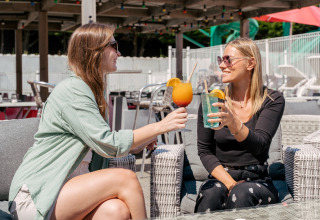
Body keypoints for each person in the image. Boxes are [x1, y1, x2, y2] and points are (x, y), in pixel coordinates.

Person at [9, 23, 188, 220]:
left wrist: (139, 143)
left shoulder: (92, 91)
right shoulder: (73, 89)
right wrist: (161, 125)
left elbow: (102, 145)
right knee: (125, 178)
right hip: (39, 194)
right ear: (94, 51)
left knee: (117, 211)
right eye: (114, 46)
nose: (119, 53)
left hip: (68, 190)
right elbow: (108, 143)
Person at [195, 37, 284, 212]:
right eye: (221, 59)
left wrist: (233, 122)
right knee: (211, 193)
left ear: (250, 63)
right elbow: (204, 151)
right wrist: (231, 183)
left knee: (242, 193)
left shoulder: (272, 100)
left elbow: (260, 146)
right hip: (221, 177)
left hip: (258, 180)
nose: (221, 65)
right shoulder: (212, 101)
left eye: (228, 59)